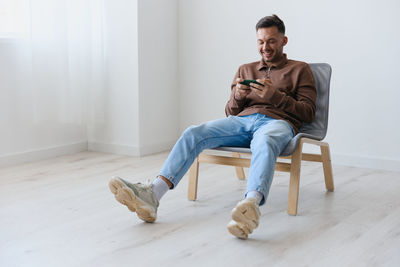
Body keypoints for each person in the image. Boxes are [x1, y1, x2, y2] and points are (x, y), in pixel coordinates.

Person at [108, 14, 316, 239]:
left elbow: (308, 112)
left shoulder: (300, 69)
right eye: (260, 41)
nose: (265, 47)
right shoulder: (245, 69)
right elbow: (230, 112)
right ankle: (153, 194)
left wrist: (275, 97)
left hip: (277, 123)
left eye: (271, 41)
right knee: (194, 132)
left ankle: (251, 204)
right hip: (242, 121)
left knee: (264, 142)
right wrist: (237, 95)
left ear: (284, 41)